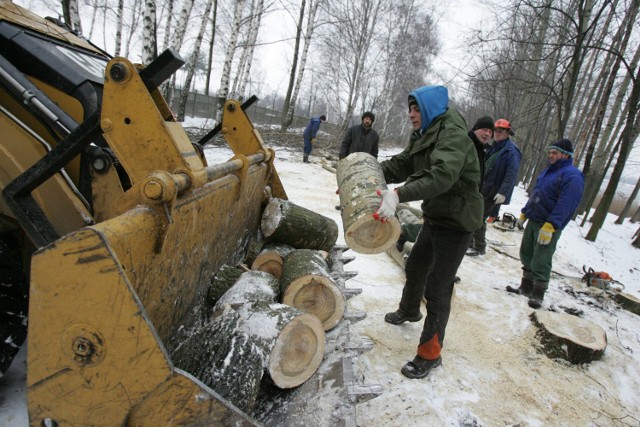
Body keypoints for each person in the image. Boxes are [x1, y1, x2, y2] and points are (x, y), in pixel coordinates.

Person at [374, 85, 483, 379]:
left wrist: (398, 194)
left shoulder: (453, 135)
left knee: (438, 287)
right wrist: (368, 173)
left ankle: (430, 354)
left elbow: (441, 176)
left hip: (458, 221)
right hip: (437, 214)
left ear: (430, 109)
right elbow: (405, 162)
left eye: (416, 109)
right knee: (416, 265)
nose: (411, 115)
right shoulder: (426, 132)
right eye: (409, 109)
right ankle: (409, 310)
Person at [507, 139, 584, 308]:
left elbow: (567, 203)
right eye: (549, 152)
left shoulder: (572, 175)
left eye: (554, 153)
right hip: (534, 219)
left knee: (541, 258)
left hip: (548, 225)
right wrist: (525, 213)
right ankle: (525, 287)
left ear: (566, 155)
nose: (550, 155)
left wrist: (552, 225)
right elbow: (537, 193)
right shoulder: (547, 172)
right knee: (526, 254)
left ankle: (538, 294)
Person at [467, 118, 521, 256]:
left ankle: (479, 246)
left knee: (479, 218)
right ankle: (471, 242)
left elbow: (511, 173)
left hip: (493, 191)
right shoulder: (494, 147)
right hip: (483, 188)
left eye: (500, 131)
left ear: (508, 132)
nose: (496, 133)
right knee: (475, 216)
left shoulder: (511, 151)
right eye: (495, 130)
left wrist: (503, 192)